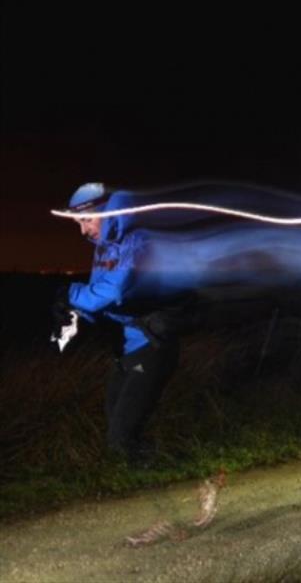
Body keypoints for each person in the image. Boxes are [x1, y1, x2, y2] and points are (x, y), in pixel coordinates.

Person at [52, 182, 182, 466]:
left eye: (85, 220)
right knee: (116, 425)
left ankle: (165, 475)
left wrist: (69, 294)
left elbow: (114, 291)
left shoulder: (140, 240)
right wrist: (73, 314)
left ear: (108, 212)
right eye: (77, 224)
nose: (83, 231)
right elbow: (100, 296)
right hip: (126, 350)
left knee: (121, 437)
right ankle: (159, 469)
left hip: (152, 346)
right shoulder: (104, 247)